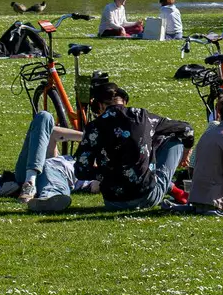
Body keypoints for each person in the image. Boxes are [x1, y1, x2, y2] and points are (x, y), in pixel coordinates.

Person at [75, 82, 195, 211]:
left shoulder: (94, 127)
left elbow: (81, 170)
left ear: (99, 106)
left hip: (112, 201)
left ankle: (173, 189)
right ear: (125, 101)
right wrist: (186, 152)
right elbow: (187, 129)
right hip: (146, 196)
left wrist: (109, 175)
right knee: (174, 139)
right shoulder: (142, 116)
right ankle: (173, 188)